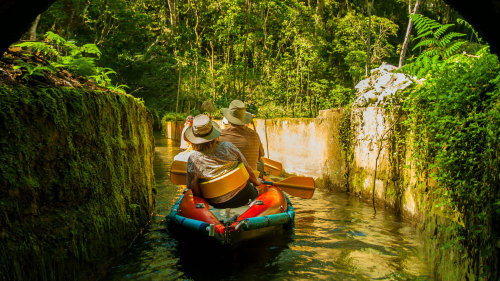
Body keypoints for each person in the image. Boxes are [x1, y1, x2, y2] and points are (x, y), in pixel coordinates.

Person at [184, 114, 261, 208]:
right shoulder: (228, 147)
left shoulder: (193, 158)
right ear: (213, 133)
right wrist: (257, 183)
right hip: (245, 196)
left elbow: (192, 188)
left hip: (216, 203)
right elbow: (247, 168)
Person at [219, 100, 264, 173]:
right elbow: (259, 157)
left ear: (229, 120)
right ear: (244, 119)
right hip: (250, 179)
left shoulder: (219, 135)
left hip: (227, 179)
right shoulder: (255, 135)